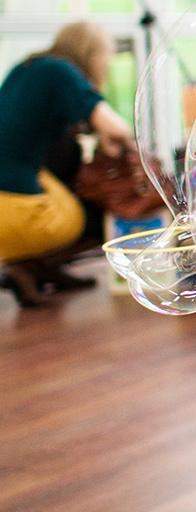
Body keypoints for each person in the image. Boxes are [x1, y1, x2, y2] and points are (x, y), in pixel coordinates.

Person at [0, 22, 134, 308]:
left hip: (6, 199)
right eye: (107, 55)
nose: (108, 64)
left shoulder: (28, 68)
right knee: (101, 214)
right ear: (93, 54)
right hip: (14, 210)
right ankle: (30, 266)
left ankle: (43, 267)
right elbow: (117, 128)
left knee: (67, 150)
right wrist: (135, 151)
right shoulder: (62, 71)